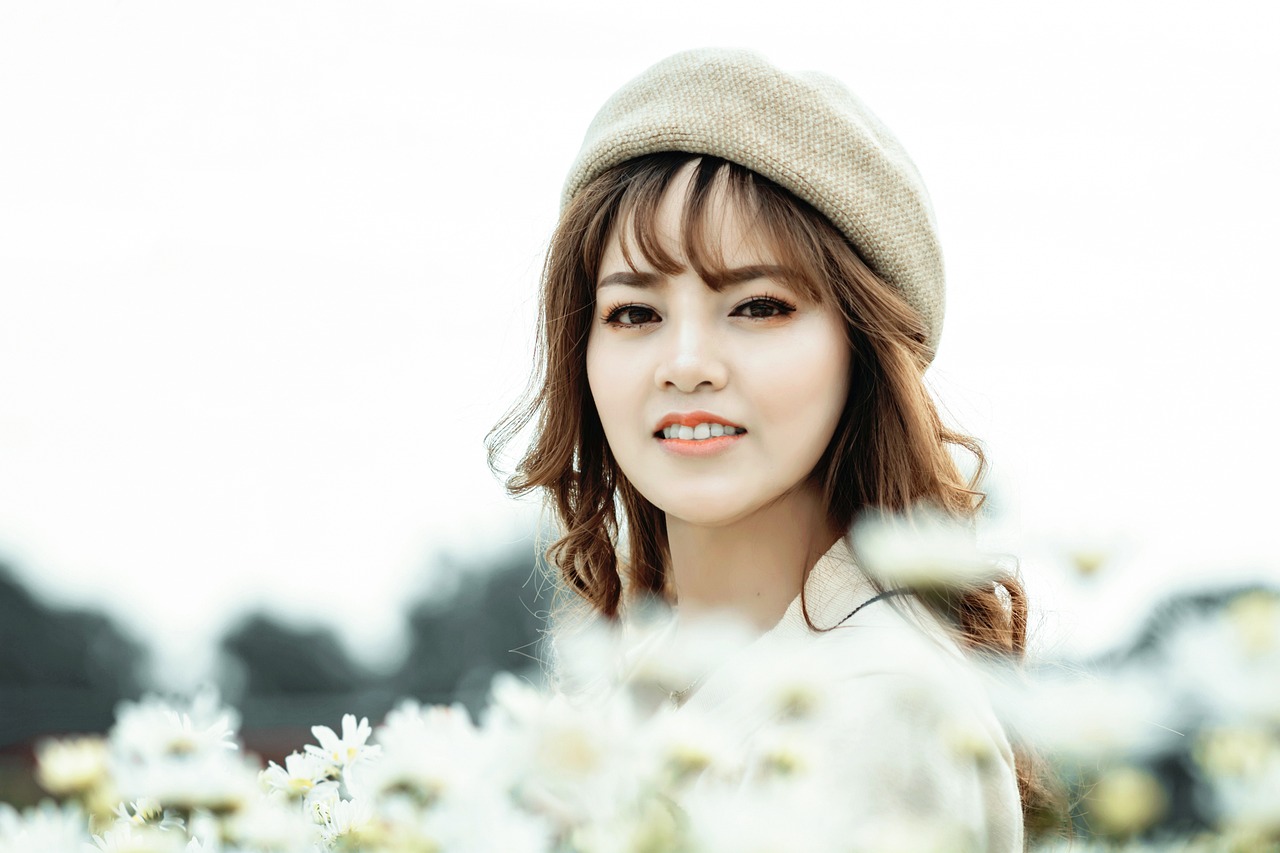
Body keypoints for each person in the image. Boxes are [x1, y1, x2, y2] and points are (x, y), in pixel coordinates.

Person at [490, 49, 1061, 849]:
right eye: (632, 313)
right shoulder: (630, 692)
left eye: (758, 306)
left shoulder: (878, 705)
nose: (686, 363)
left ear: (863, 347)